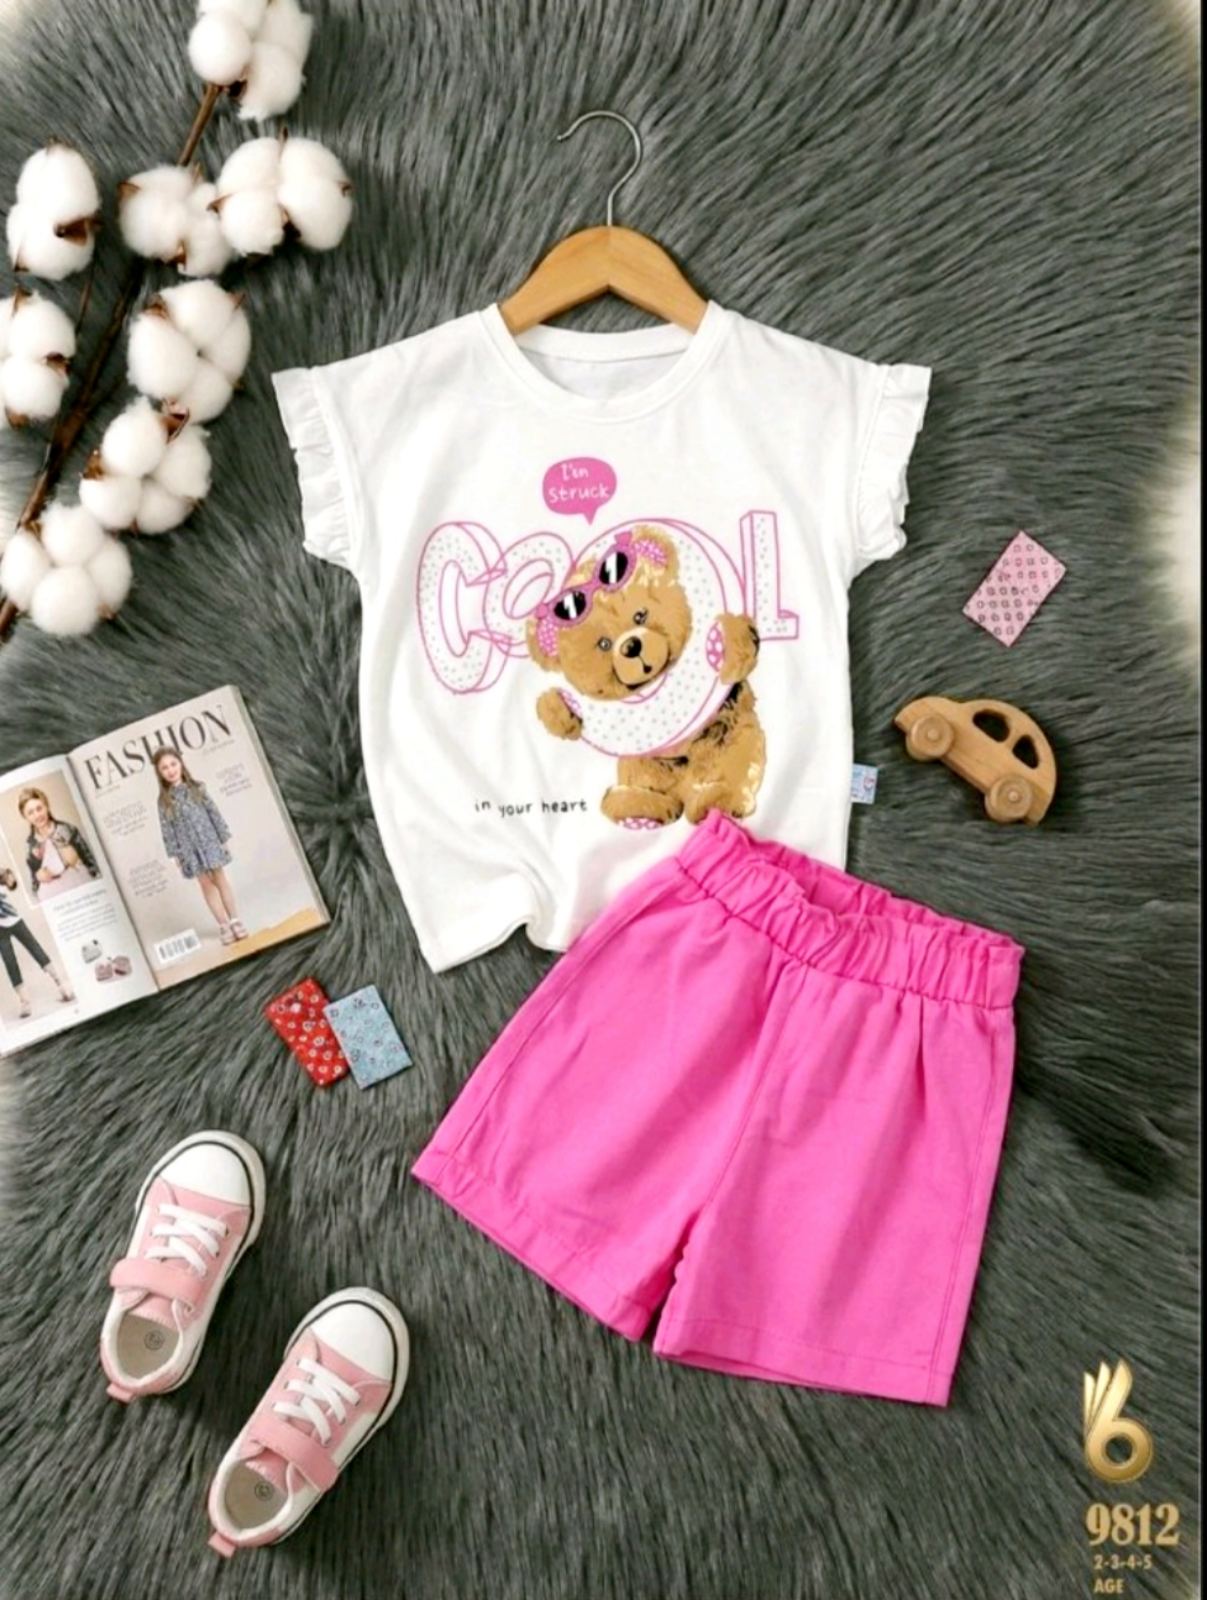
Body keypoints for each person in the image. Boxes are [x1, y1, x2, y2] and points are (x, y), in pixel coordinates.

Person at [153, 748, 248, 946]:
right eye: (165, 768)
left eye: (173, 764)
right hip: (188, 848)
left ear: (180, 763)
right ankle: (224, 925)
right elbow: (167, 829)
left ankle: (235, 920)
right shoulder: (164, 801)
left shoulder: (197, 788)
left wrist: (223, 838)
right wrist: (175, 854)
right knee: (205, 884)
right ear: (160, 773)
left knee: (220, 878)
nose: (170, 770)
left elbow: (213, 812)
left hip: (208, 840)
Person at [0, 866, 74, 1019]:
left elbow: (12, 884)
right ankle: (24, 1001)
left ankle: (61, 984)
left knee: (35, 949)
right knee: (10, 962)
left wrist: (7, 876)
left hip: (16, 921)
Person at [19, 787, 101, 902]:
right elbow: (32, 880)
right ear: (25, 817)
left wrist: (95, 876)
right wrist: (38, 876)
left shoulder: (68, 829)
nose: (37, 815)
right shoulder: (30, 845)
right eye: (30, 813)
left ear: (46, 806)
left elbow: (89, 859)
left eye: (39, 808)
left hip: (78, 883)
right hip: (54, 895)